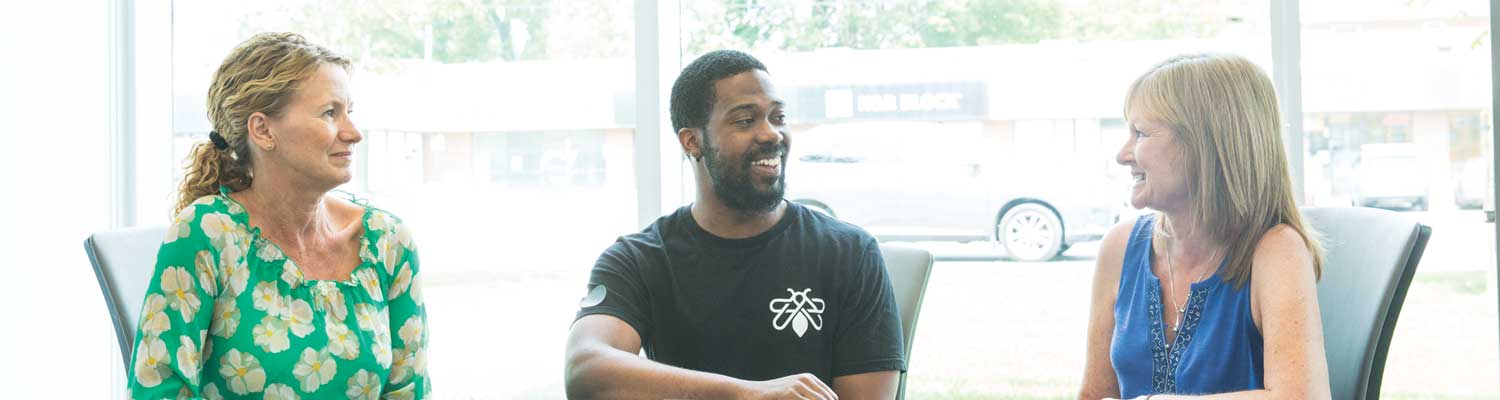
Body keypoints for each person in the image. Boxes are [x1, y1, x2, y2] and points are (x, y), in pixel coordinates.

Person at [563, 50, 905, 399]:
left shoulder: (849, 253)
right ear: (692, 141)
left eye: (778, 116)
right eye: (745, 120)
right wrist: (746, 395)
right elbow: (586, 370)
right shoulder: (639, 259)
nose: (771, 134)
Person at [127, 32, 429, 399]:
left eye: (350, 112)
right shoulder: (206, 232)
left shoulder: (387, 241)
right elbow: (158, 389)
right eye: (330, 113)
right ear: (263, 130)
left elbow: (409, 392)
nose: (353, 133)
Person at [1077, 53, 1331, 400]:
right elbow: (1094, 395)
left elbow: (1302, 397)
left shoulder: (1277, 251)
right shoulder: (1119, 248)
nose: (1123, 154)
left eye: (1140, 133)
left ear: (1204, 144)